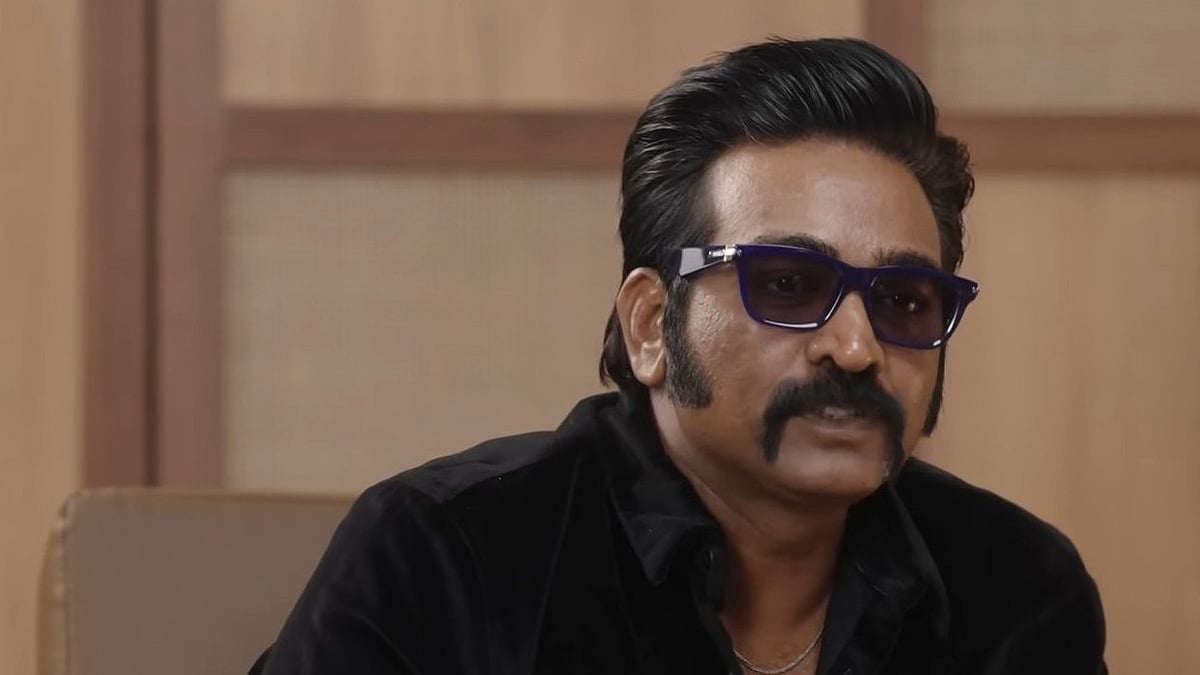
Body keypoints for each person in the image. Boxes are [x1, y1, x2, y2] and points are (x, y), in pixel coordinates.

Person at [251, 38, 1106, 674]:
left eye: (902, 301)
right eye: (788, 285)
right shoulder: (446, 556)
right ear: (653, 324)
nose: (856, 347)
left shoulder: (1017, 589)